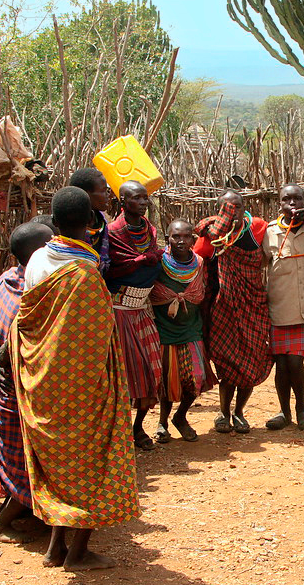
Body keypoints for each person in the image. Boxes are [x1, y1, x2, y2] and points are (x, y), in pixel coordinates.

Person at [10, 186, 140, 571]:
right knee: (92, 459)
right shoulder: (84, 272)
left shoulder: (36, 258)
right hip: (80, 382)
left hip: (40, 377)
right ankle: (77, 553)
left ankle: (54, 549)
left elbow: (29, 318)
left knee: (59, 463)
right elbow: (94, 339)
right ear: (89, 222)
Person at [0, 221, 53, 544]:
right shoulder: (33, 293)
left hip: (4, 381)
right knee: (28, 460)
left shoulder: (3, 281)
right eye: (50, 243)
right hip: (19, 388)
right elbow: (14, 340)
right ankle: (0, 524)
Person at [193, 191, 271, 435]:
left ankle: (239, 411)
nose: (233, 212)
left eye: (237, 207)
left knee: (252, 358)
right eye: (227, 208)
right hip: (223, 307)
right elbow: (197, 261)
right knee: (227, 364)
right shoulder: (211, 235)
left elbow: (268, 258)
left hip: (253, 305)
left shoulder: (257, 227)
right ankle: (224, 412)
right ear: (219, 210)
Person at [106, 180, 163, 450]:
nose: (143, 203)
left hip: (142, 310)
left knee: (151, 372)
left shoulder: (149, 230)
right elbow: (109, 270)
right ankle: (118, 432)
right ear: (122, 202)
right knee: (123, 376)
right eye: (136, 198)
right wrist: (139, 263)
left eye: (145, 198)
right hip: (118, 313)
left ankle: (137, 427)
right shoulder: (112, 234)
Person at [263, 183, 304, 432]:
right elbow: (258, 267)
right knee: (282, 364)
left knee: (296, 363)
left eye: (297, 199)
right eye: (287, 199)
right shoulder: (269, 233)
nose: (293, 203)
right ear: (279, 203)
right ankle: (284, 411)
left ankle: (302, 407)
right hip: (279, 309)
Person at [150, 220, 210, 443]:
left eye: (186, 236)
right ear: (168, 239)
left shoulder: (199, 264)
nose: (181, 241)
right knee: (167, 382)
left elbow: (203, 295)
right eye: (176, 236)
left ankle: (181, 416)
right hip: (163, 331)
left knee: (196, 379)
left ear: (193, 240)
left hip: (191, 330)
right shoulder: (158, 263)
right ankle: (162, 423)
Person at [68, 168, 112, 274]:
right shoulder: (67, 225)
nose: (108, 195)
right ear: (85, 194)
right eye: (103, 191)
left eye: (107, 191)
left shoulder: (101, 222)